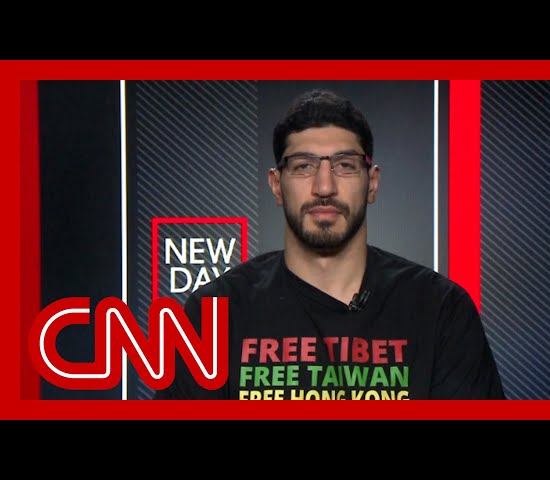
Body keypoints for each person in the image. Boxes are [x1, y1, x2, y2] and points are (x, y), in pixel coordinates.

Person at [154, 88, 505, 400]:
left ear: (372, 183)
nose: (324, 186)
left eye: (345, 165)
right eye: (303, 166)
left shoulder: (439, 310)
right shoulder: (215, 314)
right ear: (276, 185)